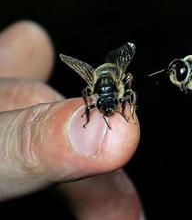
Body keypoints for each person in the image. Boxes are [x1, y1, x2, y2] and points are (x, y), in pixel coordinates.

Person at [0, 21, 144, 219]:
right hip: (100, 77)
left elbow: (128, 84)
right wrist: (86, 111)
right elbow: (87, 92)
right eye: (103, 105)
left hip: (111, 72)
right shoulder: (91, 88)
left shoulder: (121, 85)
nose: (110, 109)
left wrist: (131, 110)